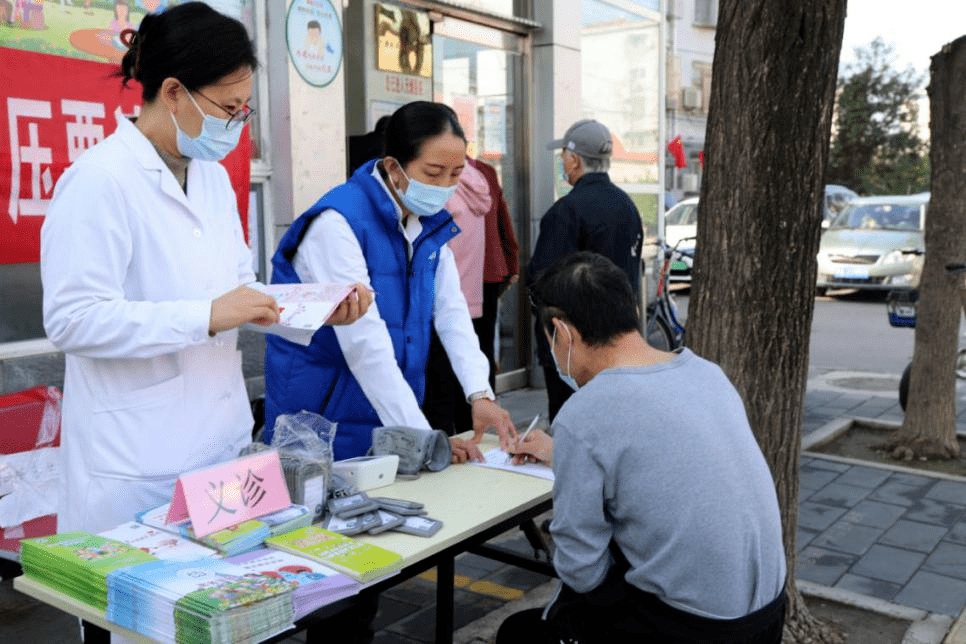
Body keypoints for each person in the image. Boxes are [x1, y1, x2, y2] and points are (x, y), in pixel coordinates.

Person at [40, 2, 370, 537]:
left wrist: (315, 311)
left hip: (220, 446)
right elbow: (73, 320)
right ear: (173, 92)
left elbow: (240, 293)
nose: (237, 123)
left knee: (232, 606)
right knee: (146, 614)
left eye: (246, 110)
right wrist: (205, 316)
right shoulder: (100, 181)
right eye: (229, 108)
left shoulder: (211, 177)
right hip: (136, 460)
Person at [500, 252, 787, 644]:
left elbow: (580, 569)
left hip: (692, 628)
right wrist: (560, 452)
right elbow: (666, 456)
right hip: (767, 614)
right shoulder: (707, 373)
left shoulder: (585, 413)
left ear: (562, 333)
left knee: (521, 633)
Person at [263, 101, 518, 462]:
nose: (445, 187)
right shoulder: (337, 224)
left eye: (456, 174)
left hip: (387, 412)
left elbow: (452, 313)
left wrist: (481, 394)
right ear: (393, 167)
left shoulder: (429, 223)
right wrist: (425, 439)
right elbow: (364, 343)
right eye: (433, 173)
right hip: (322, 417)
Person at [528, 119, 643, 422]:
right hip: (620, 343)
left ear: (575, 159)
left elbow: (541, 283)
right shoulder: (626, 206)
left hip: (575, 348)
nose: (562, 161)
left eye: (564, 154)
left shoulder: (567, 211)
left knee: (573, 425)